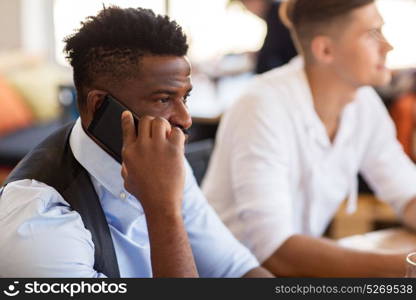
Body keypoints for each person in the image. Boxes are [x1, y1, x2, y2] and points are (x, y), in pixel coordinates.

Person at [0, 6, 271, 278]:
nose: (185, 119)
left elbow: (235, 269)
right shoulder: (39, 226)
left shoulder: (162, 160)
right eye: (163, 100)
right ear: (99, 106)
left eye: (184, 98)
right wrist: (163, 209)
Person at [202, 0, 416, 277]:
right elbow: (275, 253)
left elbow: (408, 194)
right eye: (372, 33)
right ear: (325, 50)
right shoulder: (262, 106)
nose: (388, 46)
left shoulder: (362, 102)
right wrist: (408, 265)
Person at [234, 0, 297, 73]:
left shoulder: (276, 14)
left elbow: (268, 57)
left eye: (247, 4)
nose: (249, 10)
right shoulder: (275, 12)